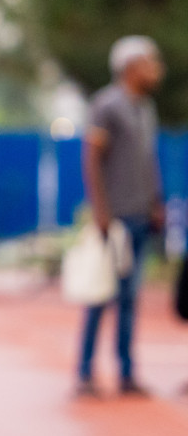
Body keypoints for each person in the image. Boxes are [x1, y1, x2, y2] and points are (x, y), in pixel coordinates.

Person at [76, 35, 166, 397]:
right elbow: (91, 159)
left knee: (130, 299)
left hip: (141, 215)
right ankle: (85, 372)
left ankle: (127, 373)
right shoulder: (106, 105)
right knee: (100, 295)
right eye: (150, 61)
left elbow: (148, 160)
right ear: (131, 66)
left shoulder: (145, 108)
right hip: (114, 219)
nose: (156, 69)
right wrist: (100, 210)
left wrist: (155, 201)